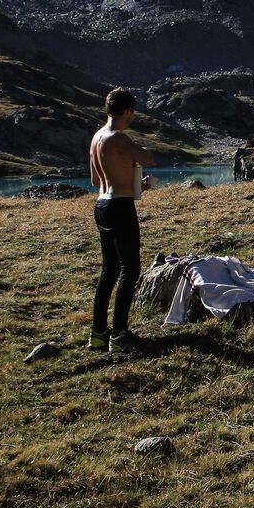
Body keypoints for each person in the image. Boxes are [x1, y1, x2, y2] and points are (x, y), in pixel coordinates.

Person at [88, 88, 155, 353]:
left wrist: (133, 183)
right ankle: (119, 333)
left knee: (109, 269)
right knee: (130, 269)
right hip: (120, 206)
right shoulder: (118, 138)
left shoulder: (96, 138)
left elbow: (96, 181)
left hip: (102, 204)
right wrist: (139, 159)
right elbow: (148, 158)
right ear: (128, 111)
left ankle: (97, 333)